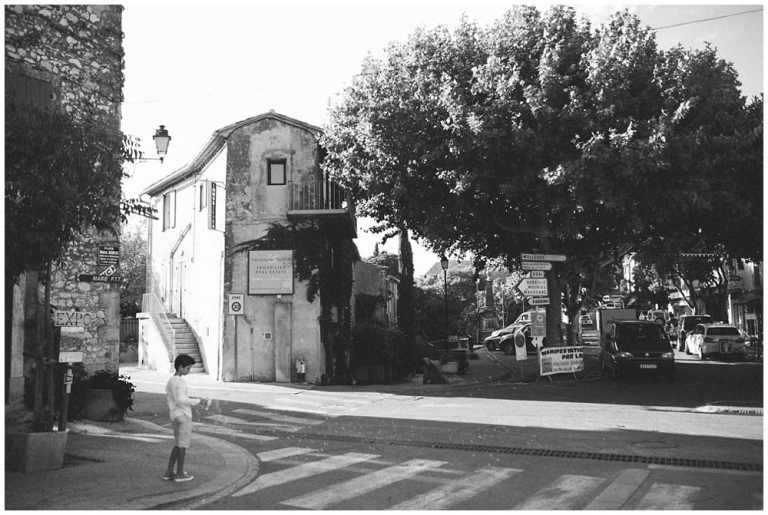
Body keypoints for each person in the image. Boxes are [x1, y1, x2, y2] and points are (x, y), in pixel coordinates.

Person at [164, 354, 201, 482]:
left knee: (178, 444)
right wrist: (196, 401)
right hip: (183, 414)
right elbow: (180, 399)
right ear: (181, 367)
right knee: (182, 445)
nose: (189, 371)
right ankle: (180, 473)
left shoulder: (171, 380)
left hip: (174, 414)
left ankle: (169, 471)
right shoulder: (179, 381)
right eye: (188, 368)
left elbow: (173, 399)